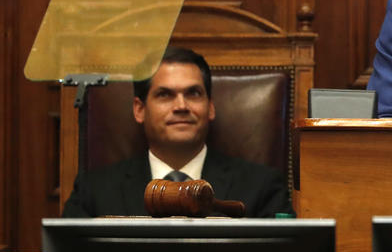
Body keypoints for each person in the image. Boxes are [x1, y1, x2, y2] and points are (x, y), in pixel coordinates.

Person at [62, 46, 292, 218]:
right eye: (165, 95)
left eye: (193, 93)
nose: (181, 106)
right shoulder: (94, 191)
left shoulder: (261, 188)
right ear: (139, 109)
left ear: (210, 107)